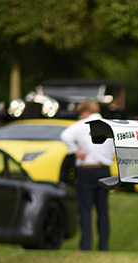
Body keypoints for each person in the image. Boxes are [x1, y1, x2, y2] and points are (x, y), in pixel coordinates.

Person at [60, 99, 115, 251]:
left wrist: (74, 151)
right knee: (102, 211)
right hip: (104, 170)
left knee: (85, 211)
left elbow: (65, 136)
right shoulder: (109, 125)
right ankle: (103, 246)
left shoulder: (81, 125)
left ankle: (85, 245)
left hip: (87, 169)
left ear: (84, 112)